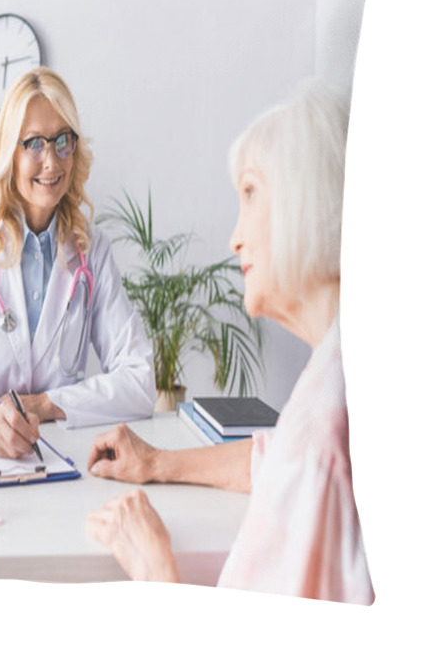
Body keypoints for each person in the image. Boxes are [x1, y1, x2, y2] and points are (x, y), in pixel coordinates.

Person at [86, 80, 374, 604]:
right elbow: (274, 456)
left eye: (249, 193)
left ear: (306, 200)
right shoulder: (343, 371)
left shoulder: (320, 442)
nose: (234, 237)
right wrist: (157, 463)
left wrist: (154, 568)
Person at [0, 67, 155, 458]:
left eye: (62, 142)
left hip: (66, 458)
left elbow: (140, 381)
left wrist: (47, 403)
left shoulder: (92, 251)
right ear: (10, 152)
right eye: (34, 144)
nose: (52, 163)